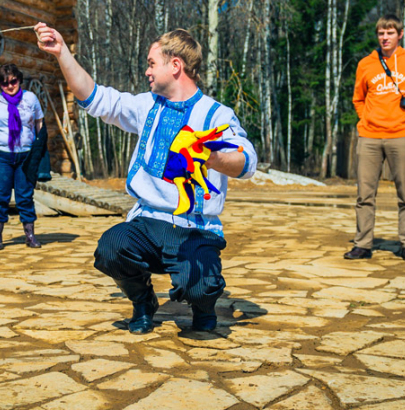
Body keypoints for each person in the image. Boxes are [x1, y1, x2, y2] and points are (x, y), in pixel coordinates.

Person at [35, 23, 257, 334]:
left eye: (152, 63)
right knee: (111, 248)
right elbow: (95, 97)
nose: (147, 71)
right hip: (147, 222)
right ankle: (143, 302)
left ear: (175, 65)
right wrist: (61, 52)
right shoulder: (146, 105)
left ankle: (203, 306)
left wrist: (211, 155)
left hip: (195, 228)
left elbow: (247, 162)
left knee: (200, 287)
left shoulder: (215, 114)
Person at [346, 14, 405, 263]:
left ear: (400, 35)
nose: (385, 37)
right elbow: (358, 98)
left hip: (402, 135)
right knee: (364, 195)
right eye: (381, 33)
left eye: (390, 33)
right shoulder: (366, 64)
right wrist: (366, 121)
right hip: (370, 137)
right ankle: (362, 245)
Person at [0, 63, 44, 250]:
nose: (10, 86)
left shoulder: (30, 98)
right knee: (0, 196)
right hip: (1, 156)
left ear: (19, 79)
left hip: (25, 156)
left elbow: (39, 123)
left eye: (13, 81)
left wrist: (39, 147)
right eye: (4, 83)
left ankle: (30, 236)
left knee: (25, 196)